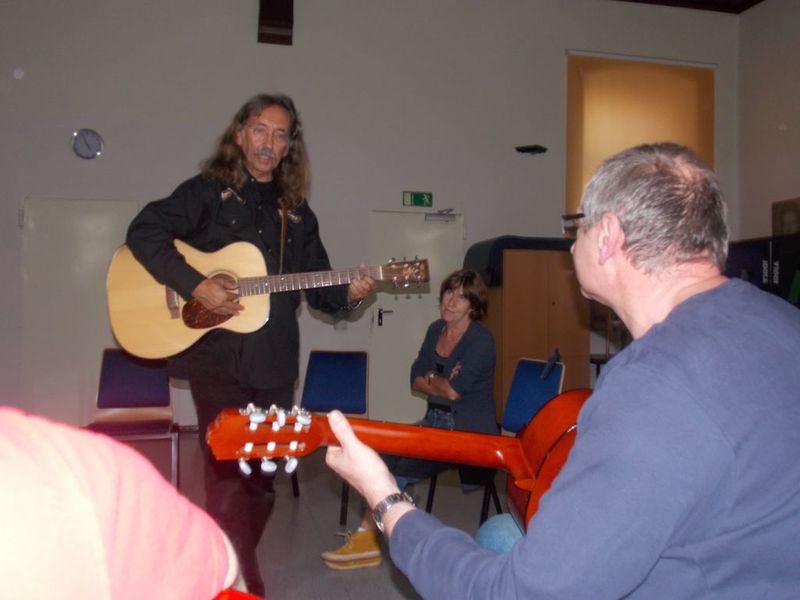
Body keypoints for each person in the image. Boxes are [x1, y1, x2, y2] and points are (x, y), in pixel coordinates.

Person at [324, 143, 800, 599]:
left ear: (608, 235)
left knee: (500, 547)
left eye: (578, 227)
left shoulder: (652, 386)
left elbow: (514, 593)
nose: (571, 244)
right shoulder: (783, 320)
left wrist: (385, 499)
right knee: (499, 532)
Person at [126, 93, 375, 597]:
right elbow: (144, 231)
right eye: (260, 129)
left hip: (274, 366)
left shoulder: (297, 214)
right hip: (215, 361)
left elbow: (319, 286)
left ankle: (224, 564)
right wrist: (195, 282)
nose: (269, 142)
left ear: (290, 148)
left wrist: (348, 293)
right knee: (224, 472)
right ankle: (240, 582)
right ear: (239, 134)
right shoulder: (206, 194)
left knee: (261, 480)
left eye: (280, 135)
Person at [321, 269, 497, 570]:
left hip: (468, 432)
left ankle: (369, 539)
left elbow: (454, 392)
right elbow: (415, 377)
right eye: (449, 292)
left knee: (399, 463)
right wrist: (435, 378)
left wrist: (434, 379)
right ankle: (383, 529)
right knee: (386, 451)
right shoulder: (435, 330)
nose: (451, 301)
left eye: (462, 296)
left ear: (474, 305)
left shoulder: (481, 340)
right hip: (435, 422)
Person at [0, 405, 243, 599]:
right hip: (214, 364)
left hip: (263, 371)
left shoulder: (71, 470)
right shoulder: (78, 470)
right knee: (226, 485)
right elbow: (223, 571)